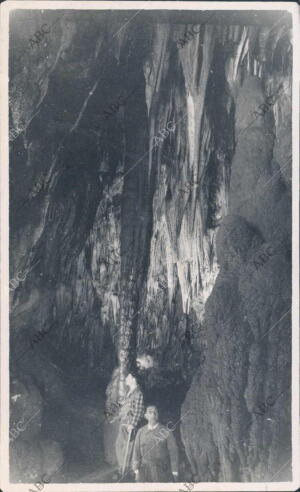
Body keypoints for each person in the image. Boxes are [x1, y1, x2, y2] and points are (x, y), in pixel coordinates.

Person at [132, 405, 179, 482]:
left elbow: (173, 452)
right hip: (143, 472)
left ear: (157, 416)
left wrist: (174, 472)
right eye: (150, 412)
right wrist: (136, 470)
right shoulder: (141, 431)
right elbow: (136, 451)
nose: (153, 415)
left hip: (160, 472)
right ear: (145, 416)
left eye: (155, 413)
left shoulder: (166, 431)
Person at [115, 372, 144, 476]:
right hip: (123, 422)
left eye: (129, 377)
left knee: (127, 447)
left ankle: (124, 470)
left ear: (134, 380)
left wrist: (133, 424)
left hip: (129, 424)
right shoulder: (129, 391)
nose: (127, 378)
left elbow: (139, 410)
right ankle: (122, 467)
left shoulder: (138, 393)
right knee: (119, 445)